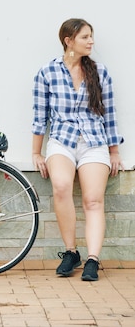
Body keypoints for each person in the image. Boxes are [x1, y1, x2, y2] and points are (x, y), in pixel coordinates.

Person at [32, 18, 124, 281]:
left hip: (94, 141)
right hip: (62, 140)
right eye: (85, 37)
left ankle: (93, 259)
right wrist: (36, 153)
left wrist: (114, 150)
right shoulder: (47, 73)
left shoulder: (101, 72)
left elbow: (110, 115)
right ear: (68, 41)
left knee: (93, 200)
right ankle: (71, 252)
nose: (91, 41)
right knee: (61, 187)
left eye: (91, 36)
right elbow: (40, 117)